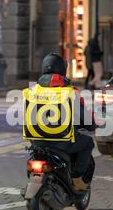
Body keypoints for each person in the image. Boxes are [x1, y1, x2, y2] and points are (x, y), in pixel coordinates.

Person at [32, 53, 97, 190]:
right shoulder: (70, 92)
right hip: (62, 142)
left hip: (36, 141)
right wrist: (92, 125)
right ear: (63, 70)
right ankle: (76, 177)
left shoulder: (33, 91)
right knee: (88, 143)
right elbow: (85, 119)